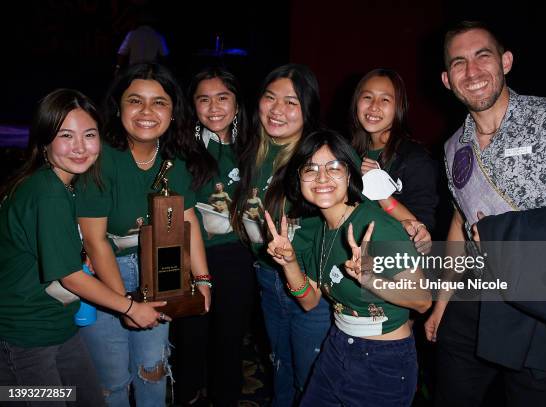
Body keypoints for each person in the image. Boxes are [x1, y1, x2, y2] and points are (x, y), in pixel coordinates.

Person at [425, 20, 546, 406]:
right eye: (459, 63)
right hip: (473, 298)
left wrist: (519, 248)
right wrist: (441, 301)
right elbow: (462, 219)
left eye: (483, 56)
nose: (472, 71)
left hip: (542, 309)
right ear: (447, 79)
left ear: (506, 61)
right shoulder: (453, 147)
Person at [0, 89, 165, 406]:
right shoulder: (46, 191)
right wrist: (131, 308)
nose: (80, 147)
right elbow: (71, 277)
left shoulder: (60, 184)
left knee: (86, 398)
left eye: (89, 135)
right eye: (66, 136)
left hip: (58, 327)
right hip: (25, 336)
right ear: (45, 141)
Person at [76, 63, 212, 407]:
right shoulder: (100, 158)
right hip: (105, 270)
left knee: (152, 368)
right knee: (112, 379)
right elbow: (95, 241)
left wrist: (203, 279)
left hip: (159, 264)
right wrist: (126, 304)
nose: (147, 112)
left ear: (172, 110)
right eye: (135, 100)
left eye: (159, 102)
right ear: (118, 107)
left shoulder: (174, 159)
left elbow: (188, 219)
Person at [265, 129, 432, 406]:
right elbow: (309, 301)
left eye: (334, 167)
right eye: (310, 169)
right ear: (298, 178)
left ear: (350, 175)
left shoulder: (377, 226)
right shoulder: (317, 231)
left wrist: (370, 278)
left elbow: (423, 301)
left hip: (383, 360)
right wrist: (290, 263)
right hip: (337, 346)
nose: (322, 178)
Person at [230, 64, 332, 406]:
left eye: (291, 102)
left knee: (312, 376)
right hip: (267, 276)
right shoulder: (252, 151)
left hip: (310, 283)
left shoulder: (318, 157)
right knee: (280, 366)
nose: (277, 110)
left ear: (308, 109)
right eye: (270, 98)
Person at [170, 66, 255, 406]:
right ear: (193, 105)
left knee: (229, 340)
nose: (214, 107)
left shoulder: (254, 146)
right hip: (190, 255)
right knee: (190, 339)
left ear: (237, 104)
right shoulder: (179, 148)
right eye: (204, 99)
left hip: (237, 256)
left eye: (223, 98)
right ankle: (187, 395)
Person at [351, 68, 438, 251]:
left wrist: (380, 186)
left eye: (385, 99)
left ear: (399, 106)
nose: (374, 106)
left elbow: (422, 230)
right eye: (367, 97)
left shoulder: (414, 158)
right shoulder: (349, 155)